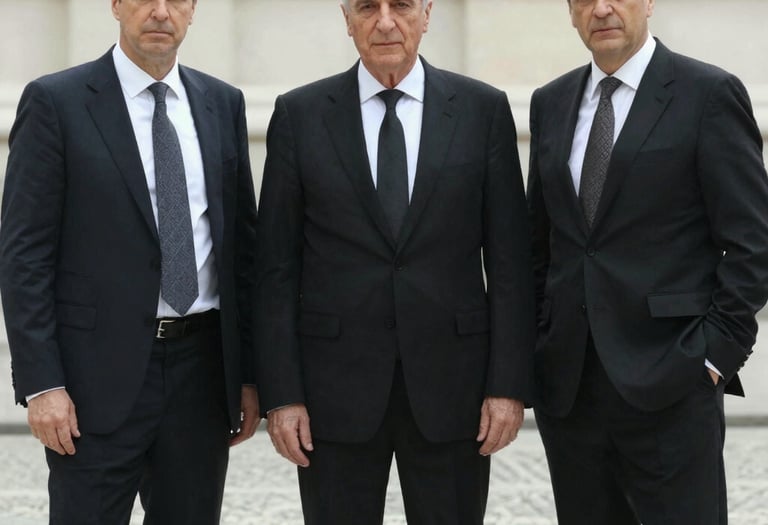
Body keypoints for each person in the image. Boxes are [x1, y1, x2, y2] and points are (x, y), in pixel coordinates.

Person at [256, 0, 535, 523]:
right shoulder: (299, 114)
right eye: (367, 7)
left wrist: (507, 385)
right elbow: (274, 270)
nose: (385, 21)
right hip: (332, 396)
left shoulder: (483, 110)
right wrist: (282, 395)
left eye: (401, 5)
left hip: (455, 392)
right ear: (347, 19)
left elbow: (511, 264)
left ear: (427, 14)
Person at [0, 0, 260, 523]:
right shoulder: (57, 102)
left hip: (202, 376)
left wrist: (250, 375)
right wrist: (42, 383)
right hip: (93, 380)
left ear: (193, 10)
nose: (160, 12)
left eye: (176, 0)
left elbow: (242, 252)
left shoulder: (221, 103)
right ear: (117, 5)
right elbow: (23, 253)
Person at [527, 0, 768, 523]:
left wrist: (714, 359)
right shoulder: (551, 102)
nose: (603, 8)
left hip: (674, 385)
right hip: (571, 393)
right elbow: (538, 245)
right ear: (570, 12)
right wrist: (539, 346)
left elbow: (753, 242)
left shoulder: (707, 94)